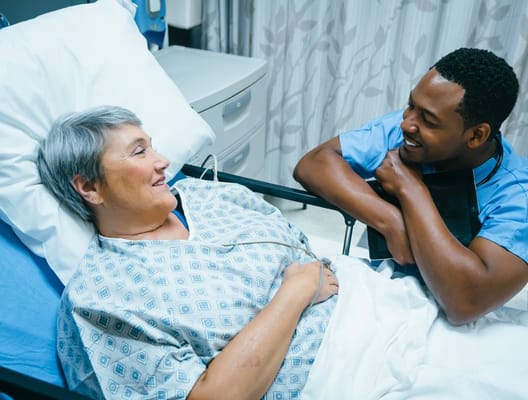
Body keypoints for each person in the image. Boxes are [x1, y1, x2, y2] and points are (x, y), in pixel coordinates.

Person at [37, 105, 339, 400]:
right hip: (333, 374)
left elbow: (299, 246)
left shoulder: (211, 194)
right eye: (139, 151)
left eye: (152, 147)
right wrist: (296, 292)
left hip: (362, 301)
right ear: (90, 187)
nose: (164, 161)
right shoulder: (102, 300)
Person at [294, 47, 528, 326]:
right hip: (377, 294)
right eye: (411, 105)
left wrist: (411, 189)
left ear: (476, 135)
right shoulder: (409, 131)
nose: (406, 123)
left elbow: (464, 303)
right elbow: (314, 164)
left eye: (428, 119)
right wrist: (392, 222)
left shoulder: (516, 195)